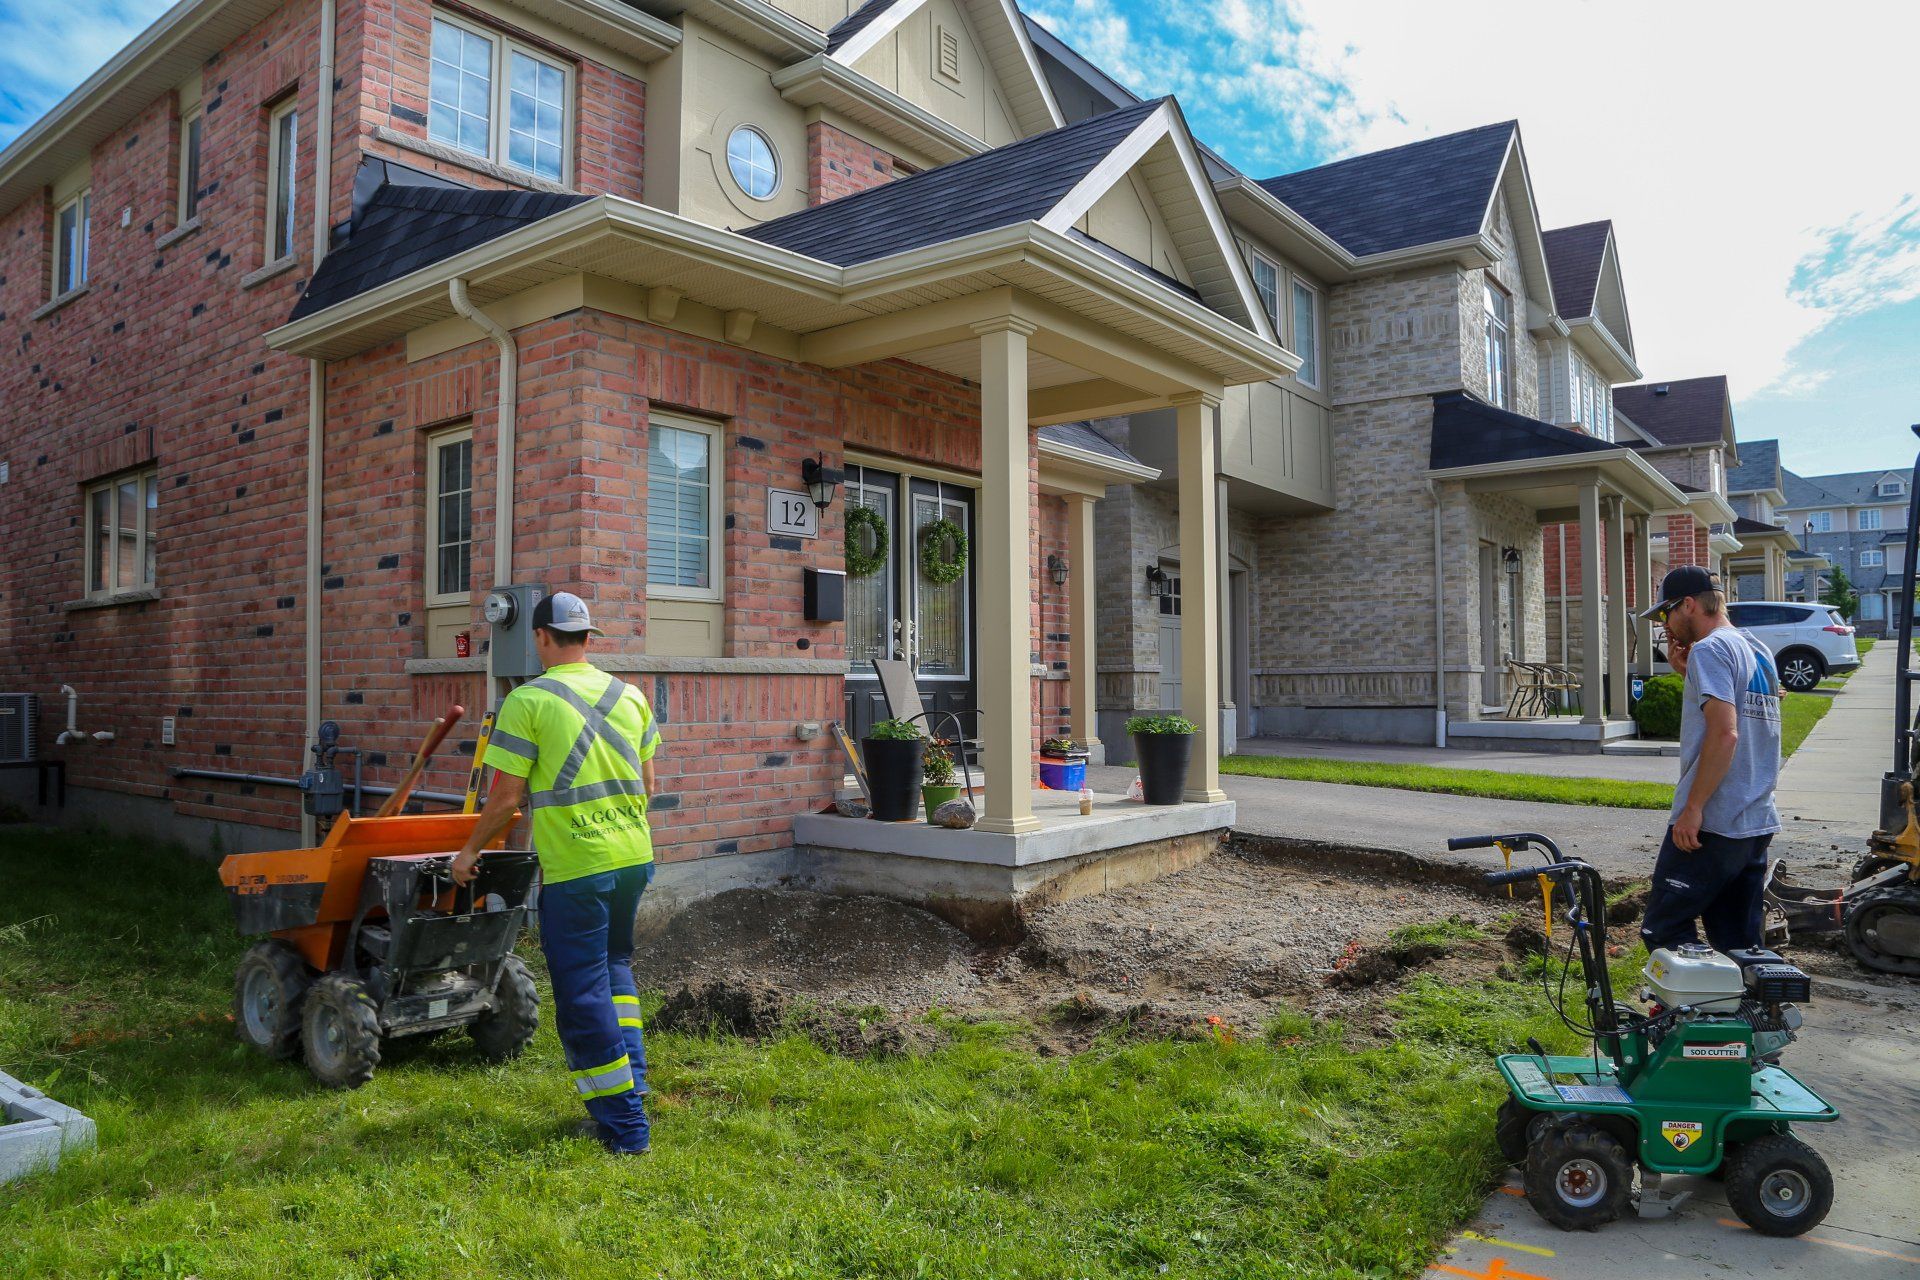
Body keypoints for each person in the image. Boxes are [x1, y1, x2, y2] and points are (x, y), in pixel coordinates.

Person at [451, 590, 662, 1155]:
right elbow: (648, 784)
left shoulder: (529, 701)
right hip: (633, 859)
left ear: (541, 637)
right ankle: (633, 1094)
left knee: (583, 994)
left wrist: (469, 854)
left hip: (578, 868)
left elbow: (505, 801)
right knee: (615, 975)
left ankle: (624, 1128)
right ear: (588, 637)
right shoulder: (630, 695)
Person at [1637, 566, 1782, 954]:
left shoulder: (1710, 649)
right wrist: (1689, 674)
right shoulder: (1756, 649)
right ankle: (1751, 1014)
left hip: (1713, 823)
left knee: (1664, 932)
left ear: (1688, 604)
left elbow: (1726, 733)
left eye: (1666, 612)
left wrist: (1693, 808)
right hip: (1754, 821)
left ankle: (1690, 1012)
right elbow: (1749, 722)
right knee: (1738, 942)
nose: (1665, 624)